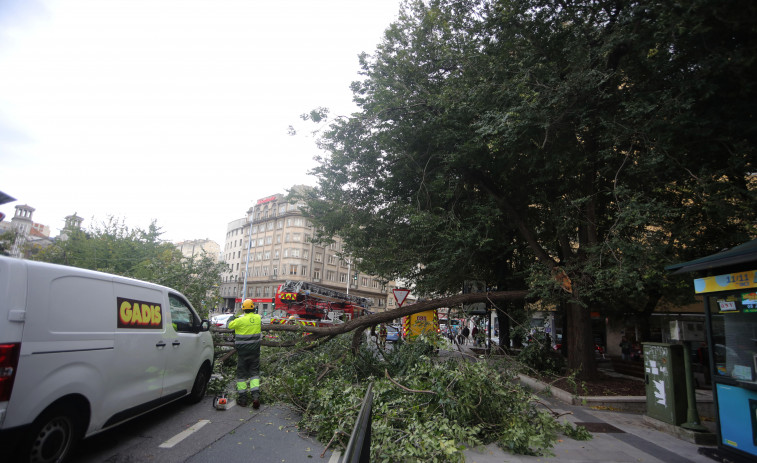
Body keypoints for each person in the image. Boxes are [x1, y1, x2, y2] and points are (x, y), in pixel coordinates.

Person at [228, 299, 263, 409]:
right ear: (253, 308)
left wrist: (233, 316)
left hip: (242, 353)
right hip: (255, 351)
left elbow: (229, 325)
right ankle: (255, 397)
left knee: (241, 375)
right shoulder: (258, 318)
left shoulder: (239, 320)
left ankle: (243, 399)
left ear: (243, 309)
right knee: (254, 374)